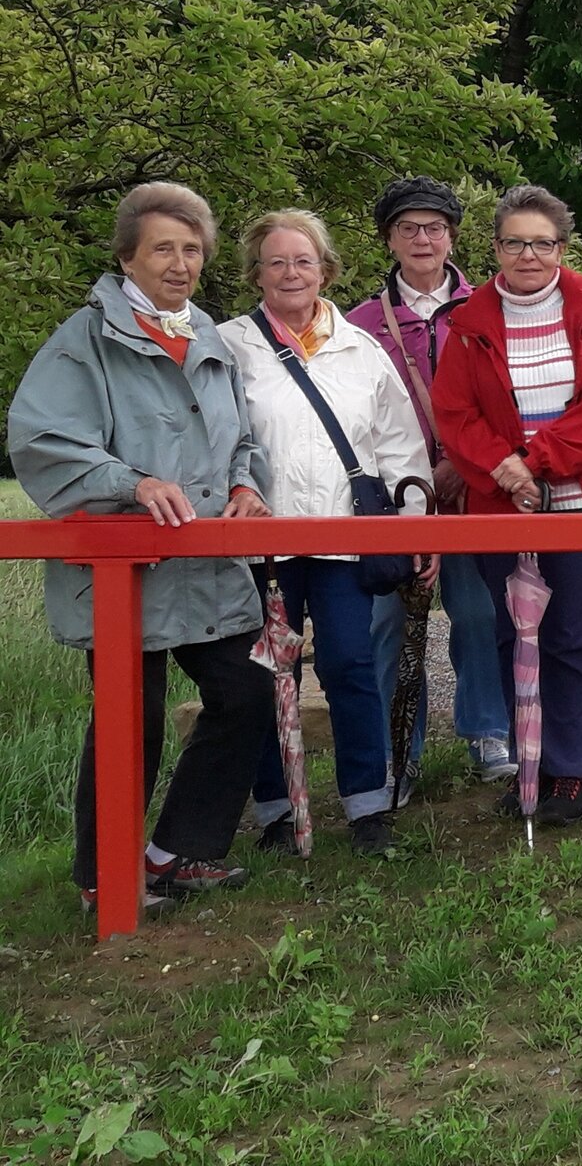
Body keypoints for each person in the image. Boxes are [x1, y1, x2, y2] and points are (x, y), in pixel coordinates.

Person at [8, 182, 274, 913]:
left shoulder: (209, 335)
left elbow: (240, 439)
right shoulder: (83, 340)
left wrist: (247, 486)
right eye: (163, 248)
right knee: (133, 716)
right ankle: (104, 879)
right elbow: (42, 438)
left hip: (209, 567)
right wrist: (130, 483)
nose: (180, 263)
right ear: (127, 254)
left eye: (193, 249)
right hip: (124, 567)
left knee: (248, 690)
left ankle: (175, 853)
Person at [432, 185, 582, 827]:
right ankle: (533, 761)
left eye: (543, 242)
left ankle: (574, 770)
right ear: (495, 248)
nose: (529, 254)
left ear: (562, 247)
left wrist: (537, 460)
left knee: (575, 640)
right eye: (515, 242)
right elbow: (455, 412)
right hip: (502, 505)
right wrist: (505, 469)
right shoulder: (468, 322)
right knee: (512, 636)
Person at [220, 210, 433, 856]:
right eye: (277, 261)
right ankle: (278, 812)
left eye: (303, 261)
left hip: (345, 541)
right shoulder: (229, 346)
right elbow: (211, 435)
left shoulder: (362, 350)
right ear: (256, 272)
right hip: (262, 545)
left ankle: (368, 807)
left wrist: (413, 529)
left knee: (351, 666)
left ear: (326, 269)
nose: (291, 273)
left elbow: (400, 448)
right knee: (264, 676)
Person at [344, 177, 515, 794]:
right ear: (389, 238)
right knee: (390, 623)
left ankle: (488, 730)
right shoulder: (359, 324)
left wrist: (470, 464)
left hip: (474, 488)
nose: (423, 239)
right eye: (409, 228)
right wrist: (404, 479)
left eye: (435, 227)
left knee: (478, 613)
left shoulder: (491, 306)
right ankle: (397, 747)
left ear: (452, 236)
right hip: (397, 497)